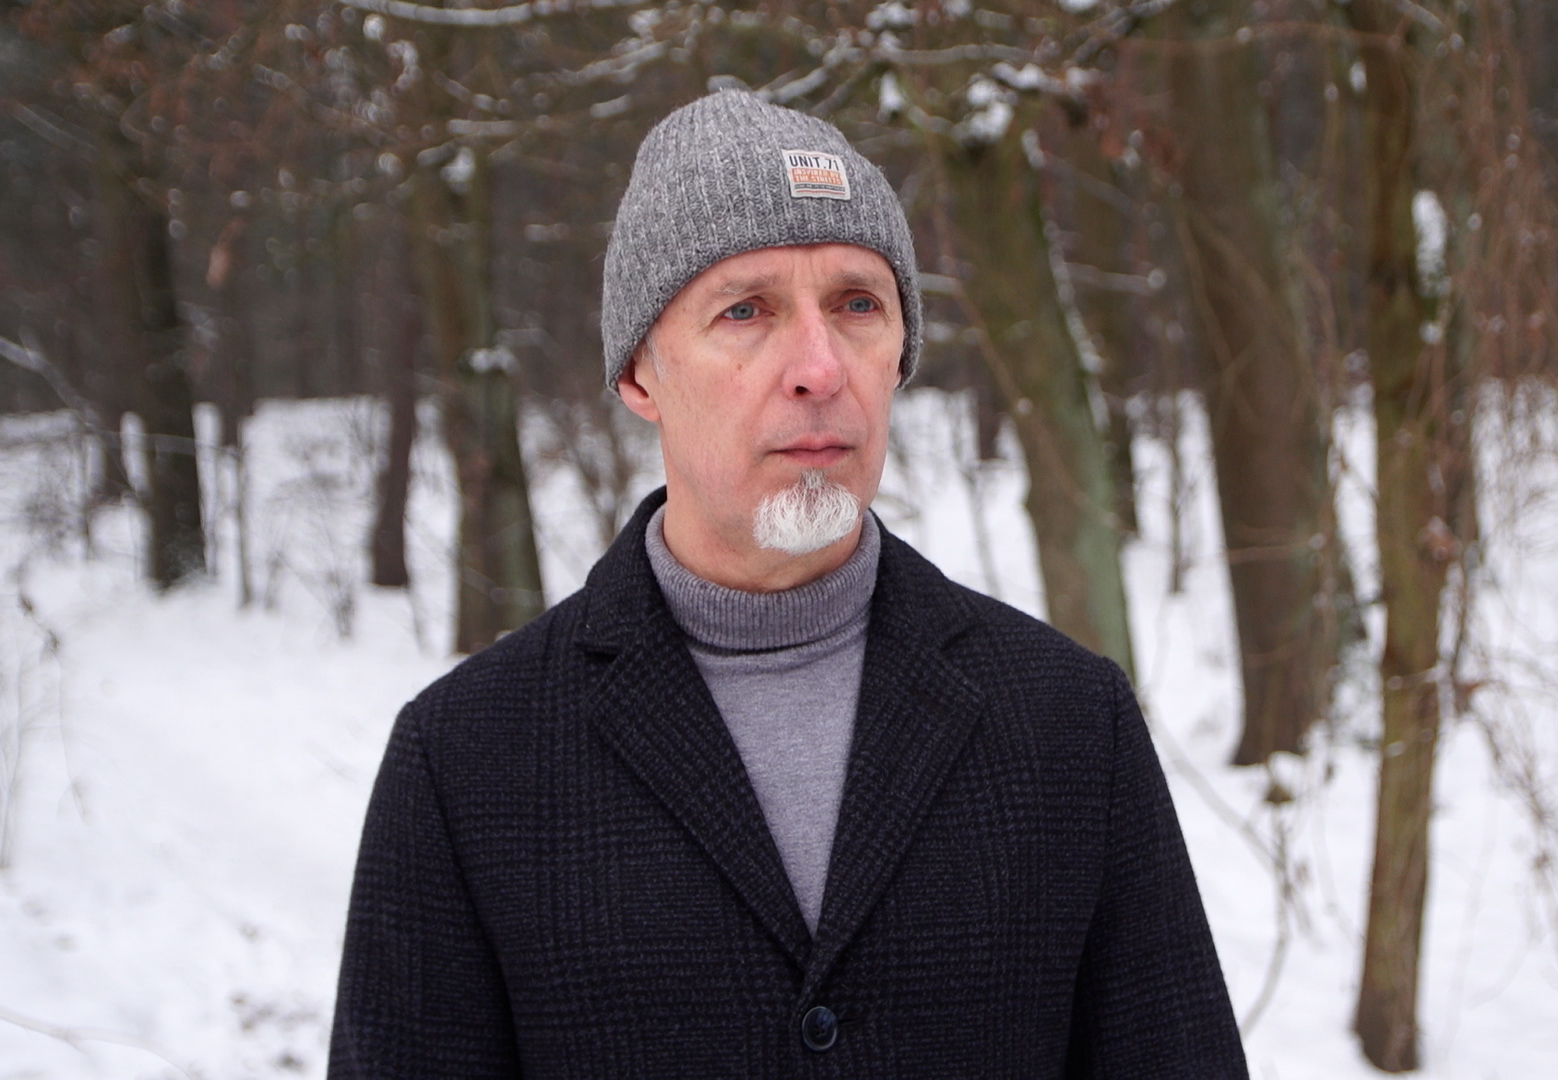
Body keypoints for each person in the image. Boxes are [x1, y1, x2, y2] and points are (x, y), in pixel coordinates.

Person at [328, 89, 1247, 1080]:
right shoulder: (466, 761)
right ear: (639, 373)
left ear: (900, 355)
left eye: (857, 305)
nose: (819, 367)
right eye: (745, 310)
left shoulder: (1071, 723)